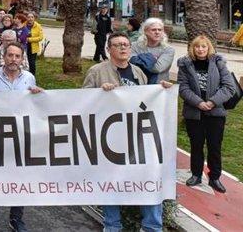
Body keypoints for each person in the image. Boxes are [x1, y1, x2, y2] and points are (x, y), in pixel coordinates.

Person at [83, 32, 173, 232]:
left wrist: (162, 90)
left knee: (148, 181)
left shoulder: (138, 72)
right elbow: (84, 103)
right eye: (117, 45)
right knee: (111, 184)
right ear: (108, 49)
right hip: (109, 140)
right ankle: (112, 226)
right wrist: (99, 93)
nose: (123, 48)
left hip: (136, 139)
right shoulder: (96, 72)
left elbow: (145, 102)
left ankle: (151, 227)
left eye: (126, 45)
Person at [0, 41, 43, 232]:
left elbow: (35, 105)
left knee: (20, 178)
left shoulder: (29, 78)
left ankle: (16, 218)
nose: (13, 59)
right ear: (4, 57)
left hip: (22, 137)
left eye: (17, 56)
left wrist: (38, 94)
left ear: (22, 59)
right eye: (10, 55)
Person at [177, 35, 237, 193]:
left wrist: (211, 102)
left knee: (214, 146)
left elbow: (229, 87)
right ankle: (196, 174)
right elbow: (183, 88)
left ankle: (215, 177)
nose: (200, 49)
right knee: (196, 145)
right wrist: (199, 103)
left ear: (208, 47)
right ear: (193, 48)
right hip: (194, 112)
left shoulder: (218, 63)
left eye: (204, 46)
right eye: (197, 46)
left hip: (215, 112)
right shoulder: (185, 64)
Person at [131, 18, 175, 84]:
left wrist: (139, 59)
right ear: (145, 31)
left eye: (159, 30)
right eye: (153, 30)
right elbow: (131, 62)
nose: (157, 32)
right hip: (137, 84)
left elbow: (157, 68)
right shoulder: (134, 46)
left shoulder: (168, 49)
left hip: (159, 87)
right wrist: (153, 59)